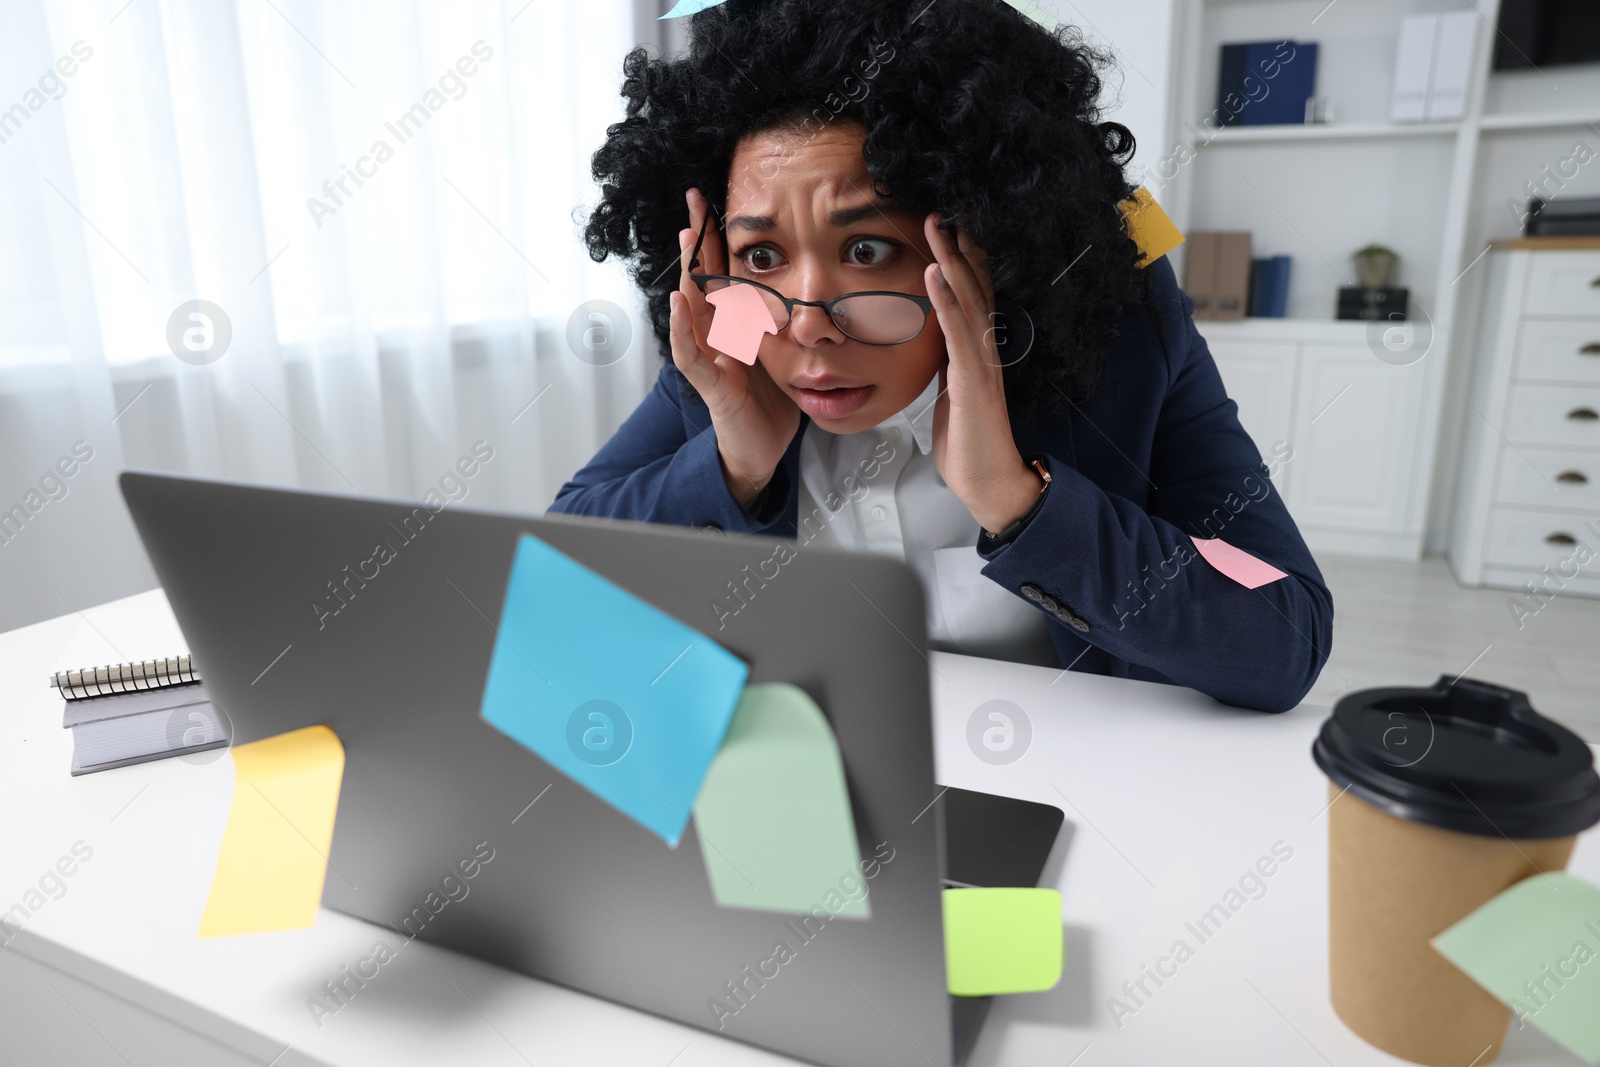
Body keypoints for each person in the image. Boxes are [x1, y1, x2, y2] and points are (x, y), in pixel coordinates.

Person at [550, 0, 1333, 713]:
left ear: (986, 238)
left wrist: (1018, 500)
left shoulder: (1125, 336)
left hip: (1069, 799)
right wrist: (733, 464)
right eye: (761, 254)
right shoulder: (735, 351)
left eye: (866, 247)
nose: (808, 324)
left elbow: (1284, 634)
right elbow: (558, 585)